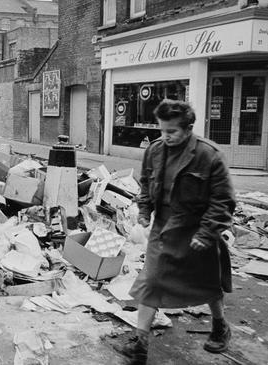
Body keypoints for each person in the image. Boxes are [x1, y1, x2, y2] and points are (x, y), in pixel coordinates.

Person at [119, 99, 236, 364]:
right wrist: (145, 212)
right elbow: (146, 183)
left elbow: (223, 200)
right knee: (151, 282)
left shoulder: (209, 155)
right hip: (164, 228)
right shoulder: (155, 150)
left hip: (199, 229)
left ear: (189, 128)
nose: (165, 137)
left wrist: (206, 234)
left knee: (208, 283)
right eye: (161, 130)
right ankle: (140, 343)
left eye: (171, 131)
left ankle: (220, 325)